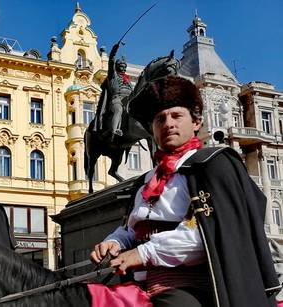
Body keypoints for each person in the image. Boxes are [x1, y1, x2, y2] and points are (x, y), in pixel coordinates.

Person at [90, 75, 280, 307]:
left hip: (193, 287)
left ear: (196, 122)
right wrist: (115, 241)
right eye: (160, 119)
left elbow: (204, 233)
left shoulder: (214, 165)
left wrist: (143, 254)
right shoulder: (146, 181)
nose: (168, 123)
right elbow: (134, 228)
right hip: (140, 282)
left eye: (177, 115)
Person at [94, 43, 133, 139]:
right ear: (117, 67)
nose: (123, 68)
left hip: (128, 101)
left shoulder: (127, 80)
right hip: (117, 100)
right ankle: (114, 130)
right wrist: (114, 50)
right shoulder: (113, 77)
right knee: (118, 109)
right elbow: (111, 61)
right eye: (121, 66)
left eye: (124, 67)